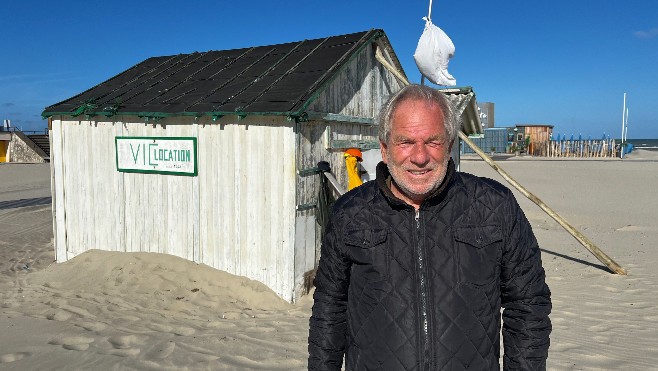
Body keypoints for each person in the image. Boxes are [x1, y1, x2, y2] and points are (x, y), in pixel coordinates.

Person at [308, 84, 551, 370]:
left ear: (449, 146)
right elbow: (329, 310)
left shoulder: (496, 205)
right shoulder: (349, 213)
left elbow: (528, 306)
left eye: (432, 141)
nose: (420, 157)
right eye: (406, 142)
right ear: (385, 149)